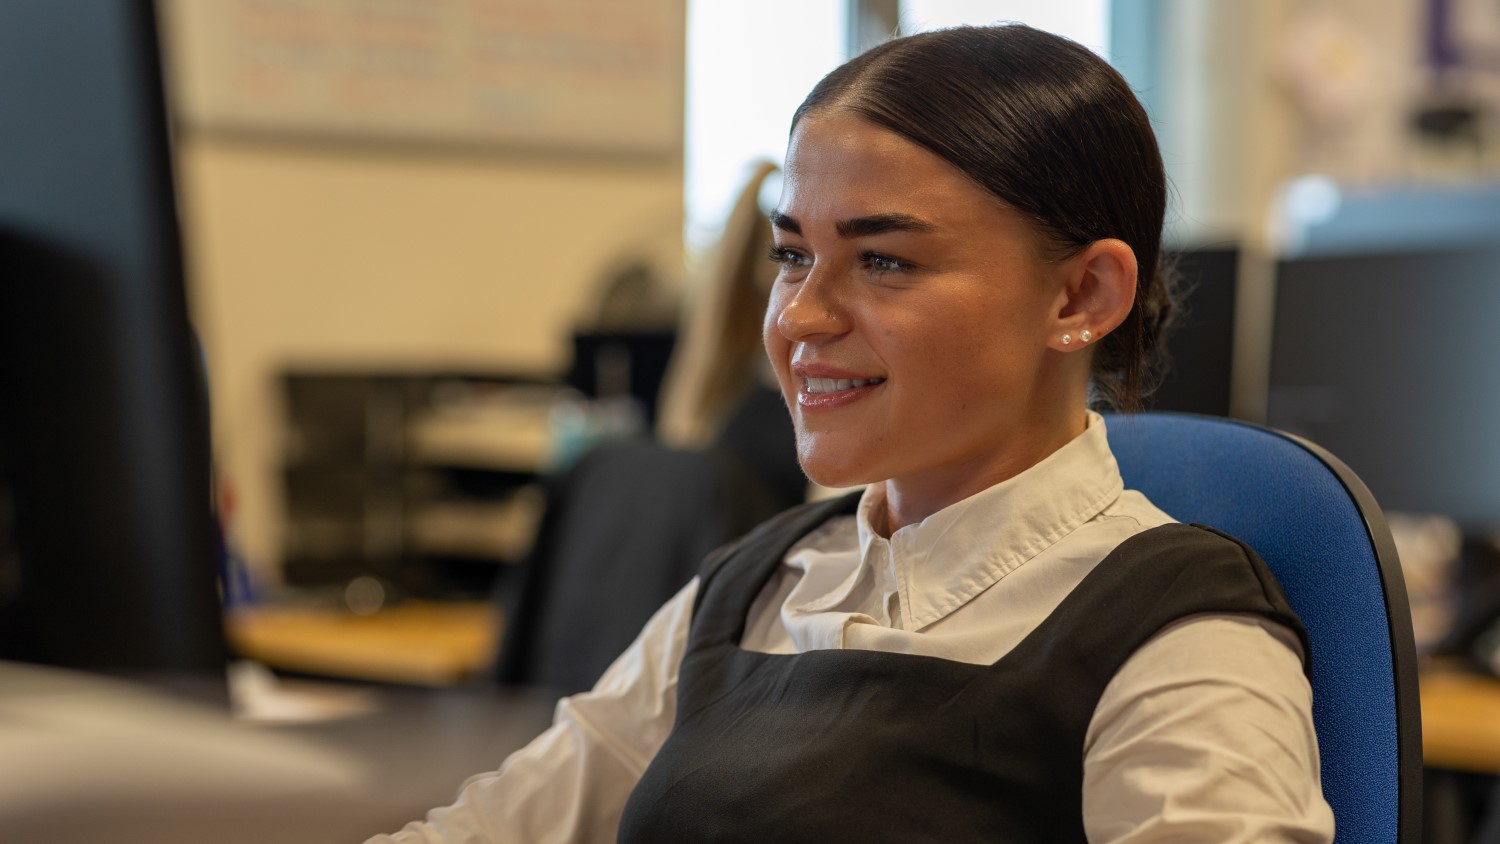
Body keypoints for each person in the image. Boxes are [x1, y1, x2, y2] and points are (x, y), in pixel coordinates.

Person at [372, 24, 1333, 843]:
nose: (799, 317)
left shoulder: (1179, 638)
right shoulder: (754, 585)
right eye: (795, 255)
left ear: (1082, 294)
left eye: (883, 260)